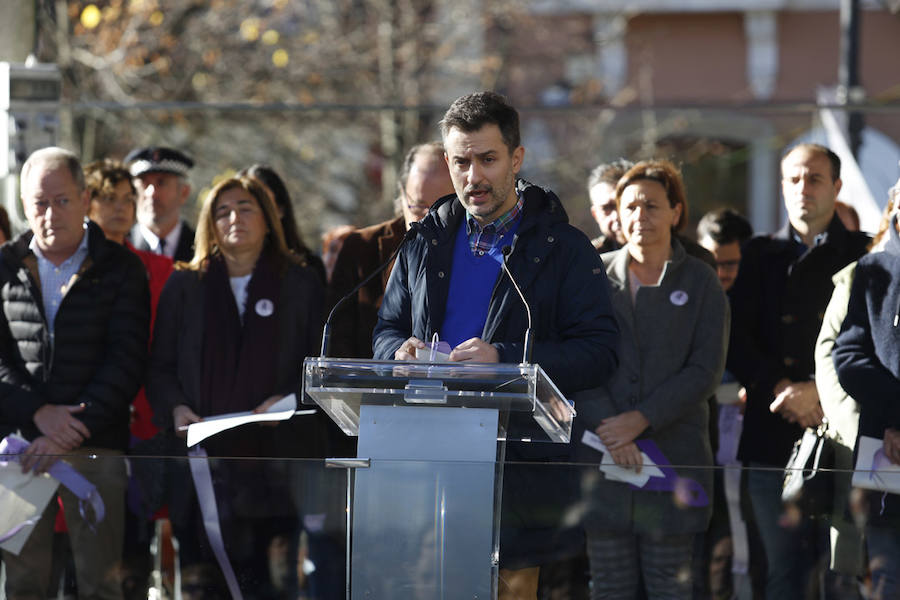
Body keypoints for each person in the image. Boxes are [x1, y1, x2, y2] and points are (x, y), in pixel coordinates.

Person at [372, 91, 620, 599]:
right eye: (461, 162)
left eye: (488, 159)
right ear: (448, 161)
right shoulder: (424, 241)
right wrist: (398, 353)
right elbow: (385, 332)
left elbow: (599, 351)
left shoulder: (563, 248)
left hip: (520, 460)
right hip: (430, 457)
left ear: (516, 159)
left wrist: (505, 359)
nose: (474, 176)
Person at [147, 175, 328, 598]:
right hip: (202, 476)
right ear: (209, 222)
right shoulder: (184, 286)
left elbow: (321, 366)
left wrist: (289, 400)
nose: (234, 218)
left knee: (268, 589)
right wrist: (175, 408)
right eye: (222, 210)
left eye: (246, 208)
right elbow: (160, 369)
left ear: (269, 219)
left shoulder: (300, 284)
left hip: (277, 477)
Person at [0, 147, 150, 600]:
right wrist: (39, 415)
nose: (49, 214)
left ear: (85, 198)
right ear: (25, 205)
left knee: (101, 584)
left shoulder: (121, 267)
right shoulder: (4, 265)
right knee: (24, 584)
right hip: (20, 448)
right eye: (39, 203)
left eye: (61, 200)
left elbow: (126, 360)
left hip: (96, 446)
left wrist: (68, 429)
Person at [575, 159, 729, 599]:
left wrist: (641, 420)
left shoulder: (701, 281)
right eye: (630, 206)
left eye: (652, 206)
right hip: (604, 459)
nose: (640, 216)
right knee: (609, 587)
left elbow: (705, 370)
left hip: (673, 463)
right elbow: (577, 359)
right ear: (617, 215)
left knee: (670, 589)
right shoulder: (592, 276)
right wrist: (613, 428)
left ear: (676, 212)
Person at [728, 143, 870, 598]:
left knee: (841, 578)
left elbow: (873, 347)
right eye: (793, 178)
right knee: (780, 575)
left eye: (814, 178)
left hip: (847, 439)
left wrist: (818, 392)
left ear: (837, 187)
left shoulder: (867, 256)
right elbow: (735, 339)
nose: (802, 188)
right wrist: (782, 386)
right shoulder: (756, 255)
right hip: (772, 433)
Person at [833, 178, 900, 600]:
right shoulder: (873, 270)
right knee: (886, 582)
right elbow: (849, 356)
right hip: (886, 461)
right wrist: (895, 419)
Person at [329, 141, 454, 359]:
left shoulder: (477, 252)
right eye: (419, 207)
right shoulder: (360, 248)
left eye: (440, 208)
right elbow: (337, 343)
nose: (429, 219)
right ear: (403, 196)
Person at [697, 207, 757, 597]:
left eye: (732, 264)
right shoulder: (689, 295)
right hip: (696, 436)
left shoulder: (755, 299)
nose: (722, 273)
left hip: (745, 437)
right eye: (713, 263)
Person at [239, 164, 327, 284]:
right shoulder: (212, 268)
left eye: (262, 200)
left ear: (280, 209)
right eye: (243, 205)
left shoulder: (308, 268)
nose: (238, 217)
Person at [125, 146, 196, 262]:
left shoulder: (201, 249)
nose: (151, 193)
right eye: (144, 183)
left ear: (184, 193)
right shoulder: (120, 246)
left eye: (161, 183)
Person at [587, 159, 630, 253]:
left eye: (624, 204)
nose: (617, 216)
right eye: (606, 208)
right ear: (595, 214)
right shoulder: (589, 259)